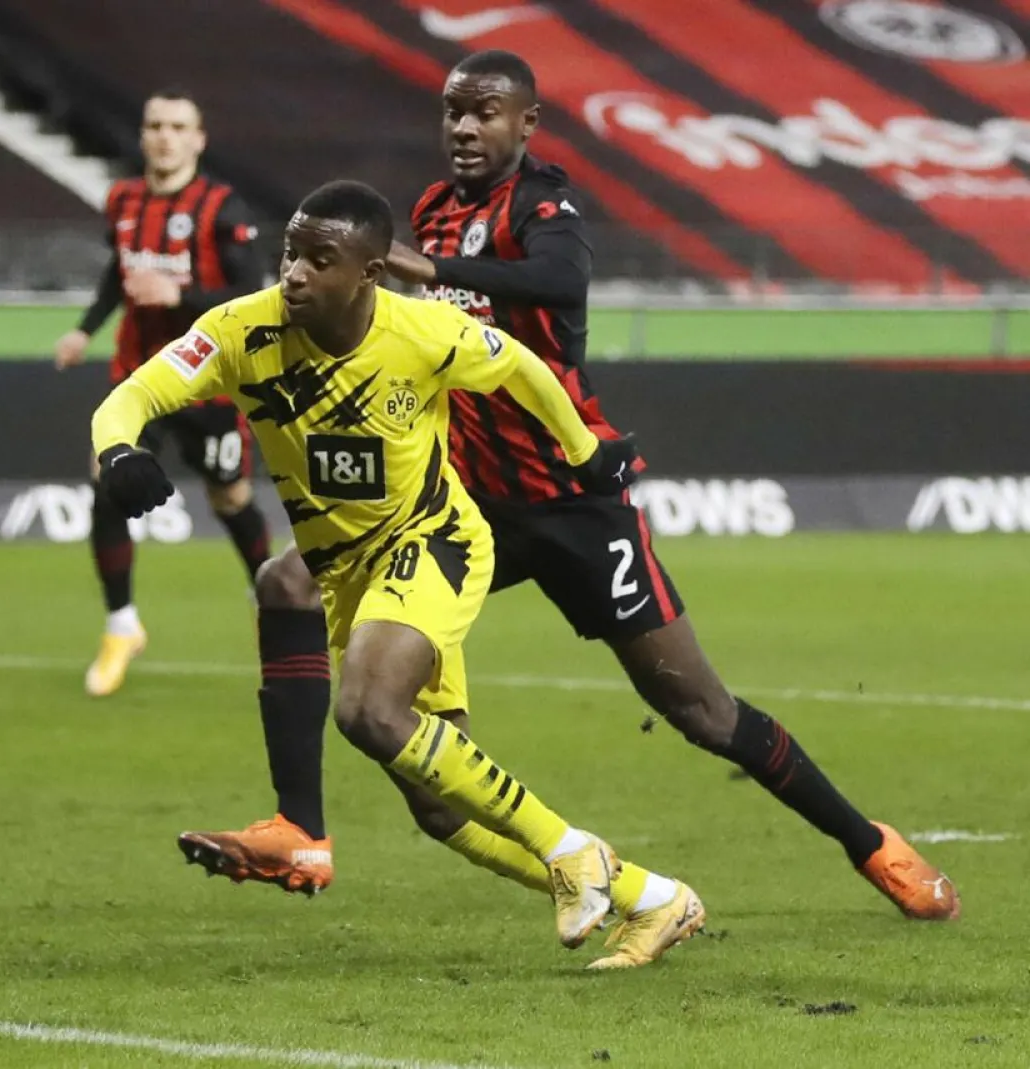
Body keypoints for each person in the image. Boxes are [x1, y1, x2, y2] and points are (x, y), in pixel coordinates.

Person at [176, 50, 959, 923]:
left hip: (576, 500)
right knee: (304, 604)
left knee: (700, 709)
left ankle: (871, 843)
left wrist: (436, 273)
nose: (466, 129)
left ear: (526, 124)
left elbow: (562, 280)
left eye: (485, 113)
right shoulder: (430, 212)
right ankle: (322, 834)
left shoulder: (546, 205)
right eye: (453, 113)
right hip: (467, 506)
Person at [93, 179, 706, 970]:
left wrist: (584, 449)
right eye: (290, 253)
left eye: (321, 260)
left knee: (367, 711)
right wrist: (120, 450)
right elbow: (133, 394)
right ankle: (654, 898)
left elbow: (522, 366)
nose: (295, 274)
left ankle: (570, 850)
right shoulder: (242, 330)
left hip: (435, 540)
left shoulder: (423, 331)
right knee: (439, 807)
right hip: (345, 571)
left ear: (371, 273)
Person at [55, 89, 270, 697]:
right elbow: (118, 273)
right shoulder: (123, 199)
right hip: (137, 378)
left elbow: (251, 295)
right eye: (155, 125)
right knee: (106, 480)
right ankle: (121, 625)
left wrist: (181, 298)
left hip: (207, 382)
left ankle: (268, 600)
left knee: (230, 500)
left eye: (178, 126)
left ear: (198, 139)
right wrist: (83, 329)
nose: (165, 136)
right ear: (144, 135)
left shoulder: (223, 208)